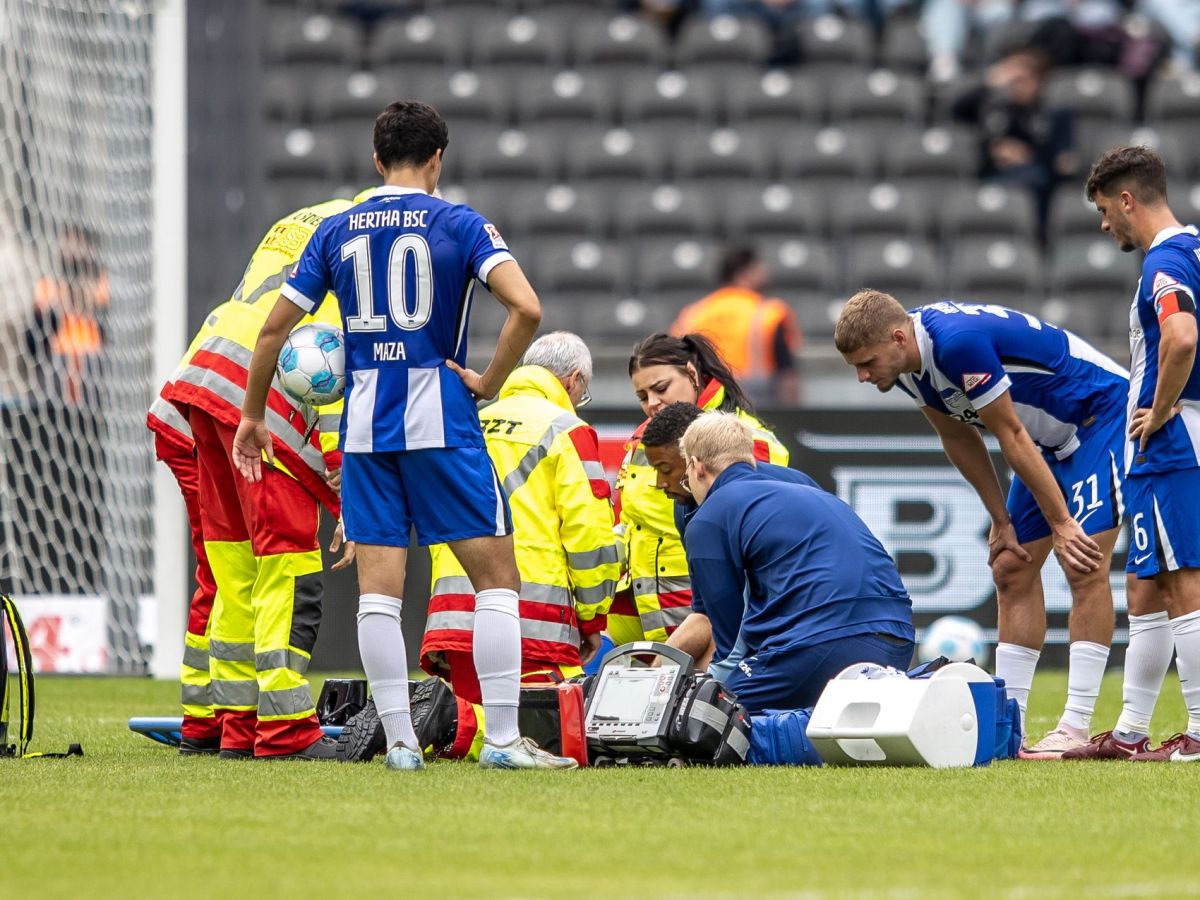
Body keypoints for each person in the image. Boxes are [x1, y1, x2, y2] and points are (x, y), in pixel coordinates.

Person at [234, 100, 576, 771]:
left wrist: (252, 415)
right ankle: (503, 742)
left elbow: (273, 329)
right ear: (438, 158)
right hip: (441, 419)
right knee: (497, 582)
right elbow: (527, 307)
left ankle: (398, 745)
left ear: (375, 159)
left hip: (365, 430)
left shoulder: (338, 230)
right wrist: (492, 379)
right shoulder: (461, 224)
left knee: (378, 596)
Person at [835, 291, 1129, 758]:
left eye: (867, 362)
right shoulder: (907, 366)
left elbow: (1008, 432)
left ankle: (1075, 726)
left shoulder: (956, 345)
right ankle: (1006, 728)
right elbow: (958, 435)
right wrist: (1000, 520)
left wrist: (1061, 524)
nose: (863, 375)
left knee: (1082, 563)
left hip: (1100, 419)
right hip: (1044, 442)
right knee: (1011, 568)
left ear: (897, 337)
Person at [167, 199, 351, 760]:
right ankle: (284, 730)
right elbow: (335, 373)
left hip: (203, 374)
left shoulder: (302, 219)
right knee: (287, 567)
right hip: (262, 398)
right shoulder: (366, 244)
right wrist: (344, 480)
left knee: (233, 567)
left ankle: (231, 725)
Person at [1076, 145, 1200, 762]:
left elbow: (1181, 337)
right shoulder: (1196, 249)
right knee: (1146, 584)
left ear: (1128, 200)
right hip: (1170, 446)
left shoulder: (1165, 262)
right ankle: (1129, 733)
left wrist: (1164, 404)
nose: (1105, 224)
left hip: (1172, 443)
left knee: (1183, 579)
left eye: (1105, 209)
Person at [422, 331, 619, 705]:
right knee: (546, 730)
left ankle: (445, 722)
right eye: (582, 392)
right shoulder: (568, 430)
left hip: (455, 611)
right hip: (532, 619)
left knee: (471, 732)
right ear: (573, 380)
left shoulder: (470, 422)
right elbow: (590, 539)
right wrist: (593, 619)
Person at [673, 412, 914, 712]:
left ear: (696, 466)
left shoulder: (710, 516)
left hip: (822, 645)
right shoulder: (804, 484)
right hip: (898, 639)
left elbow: (728, 642)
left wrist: (703, 696)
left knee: (702, 717)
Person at [611, 332, 789, 649]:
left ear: (692, 374)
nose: (652, 403)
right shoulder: (644, 439)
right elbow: (628, 522)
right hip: (641, 616)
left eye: (661, 388)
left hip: (702, 617)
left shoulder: (745, 437)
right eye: (642, 395)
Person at [640, 400, 819, 679]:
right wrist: (651, 676)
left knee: (711, 700)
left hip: (801, 638)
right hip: (782, 638)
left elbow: (730, 639)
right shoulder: (687, 507)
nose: (660, 483)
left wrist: (715, 690)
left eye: (665, 469)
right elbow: (707, 617)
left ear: (693, 461)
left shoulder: (716, 513)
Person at [146, 384, 221, 754]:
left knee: (226, 570)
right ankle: (205, 719)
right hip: (196, 426)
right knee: (224, 570)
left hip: (200, 419)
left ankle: (211, 716)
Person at [950, 47, 1075, 240]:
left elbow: (1063, 164)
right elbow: (955, 110)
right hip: (993, 176)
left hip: (1035, 183)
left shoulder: (1054, 115)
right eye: (1015, 80)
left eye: (1026, 80)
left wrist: (1028, 155)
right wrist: (989, 81)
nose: (1020, 86)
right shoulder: (996, 109)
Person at [669, 246, 801, 407]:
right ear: (743, 274)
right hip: (755, 408)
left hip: (702, 410)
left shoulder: (691, 314)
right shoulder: (768, 313)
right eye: (758, 269)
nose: (765, 273)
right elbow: (787, 376)